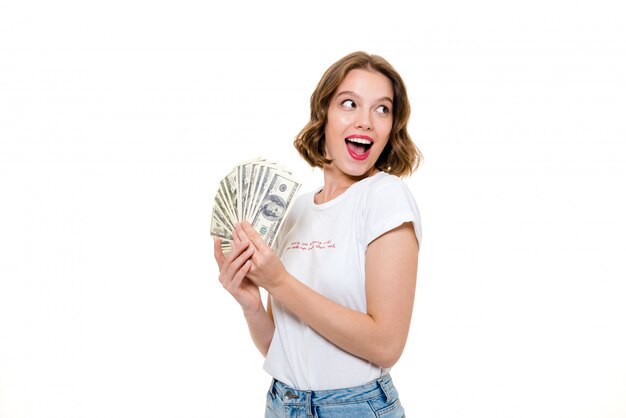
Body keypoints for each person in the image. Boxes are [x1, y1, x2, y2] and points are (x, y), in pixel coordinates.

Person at [213, 51, 422, 418]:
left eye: (382, 109)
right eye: (349, 103)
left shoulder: (385, 197)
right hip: (282, 403)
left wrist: (277, 281)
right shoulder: (296, 210)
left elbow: (387, 345)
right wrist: (251, 304)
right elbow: (282, 348)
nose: (366, 121)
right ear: (324, 115)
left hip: (355, 408)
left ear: (392, 126)